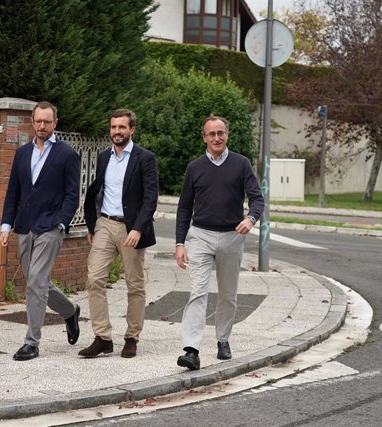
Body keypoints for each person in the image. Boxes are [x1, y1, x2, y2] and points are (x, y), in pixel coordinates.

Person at [175, 114, 264, 370]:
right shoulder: (194, 168)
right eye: (211, 134)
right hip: (200, 236)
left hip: (232, 237)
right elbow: (184, 208)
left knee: (228, 295)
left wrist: (251, 219)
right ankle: (191, 349)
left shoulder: (241, 164)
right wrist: (180, 243)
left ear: (227, 135)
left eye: (221, 133)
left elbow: (257, 198)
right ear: (204, 137)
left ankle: (223, 338)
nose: (217, 138)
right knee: (197, 293)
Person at [0, 101, 81, 361]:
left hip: (51, 227)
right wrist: (6, 225)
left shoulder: (67, 154)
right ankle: (70, 311)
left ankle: (31, 342)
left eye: (47, 121)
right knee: (37, 281)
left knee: (35, 283)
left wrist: (61, 223)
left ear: (55, 123)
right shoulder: (23, 153)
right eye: (38, 121)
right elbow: (14, 191)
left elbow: (72, 194)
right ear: (32, 122)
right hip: (25, 226)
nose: (42, 126)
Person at [79, 108, 159, 359]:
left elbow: (150, 197)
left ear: (132, 130)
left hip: (131, 228)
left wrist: (137, 228)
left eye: (122, 127)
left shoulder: (144, 158)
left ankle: (132, 337)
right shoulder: (104, 157)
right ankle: (102, 337)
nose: (117, 131)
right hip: (105, 224)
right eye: (113, 127)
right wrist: (93, 225)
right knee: (94, 278)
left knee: (134, 284)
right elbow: (96, 190)